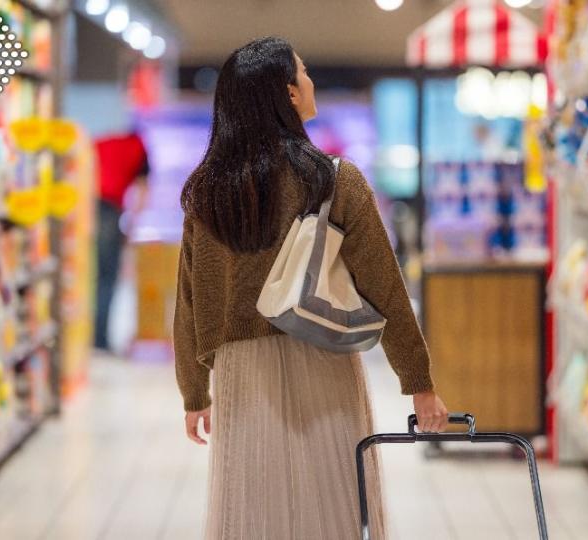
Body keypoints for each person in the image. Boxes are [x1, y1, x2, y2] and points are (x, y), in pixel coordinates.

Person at [174, 37, 449, 539]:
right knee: (333, 501)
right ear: (289, 94)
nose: (311, 80)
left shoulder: (208, 190)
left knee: (253, 506)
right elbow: (385, 285)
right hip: (322, 349)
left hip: (241, 369)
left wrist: (194, 392)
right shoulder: (334, 180)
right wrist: (420, 383)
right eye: (303, 72)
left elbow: (190, 298)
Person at [93, 131, 149, 351]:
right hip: (107, 208)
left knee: (92, 275)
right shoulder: (139, 148)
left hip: (86, 206)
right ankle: (100, 339)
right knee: (107, 276)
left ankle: (88, 339)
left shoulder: (104, 142)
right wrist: (131, 228)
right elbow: (143, 192)